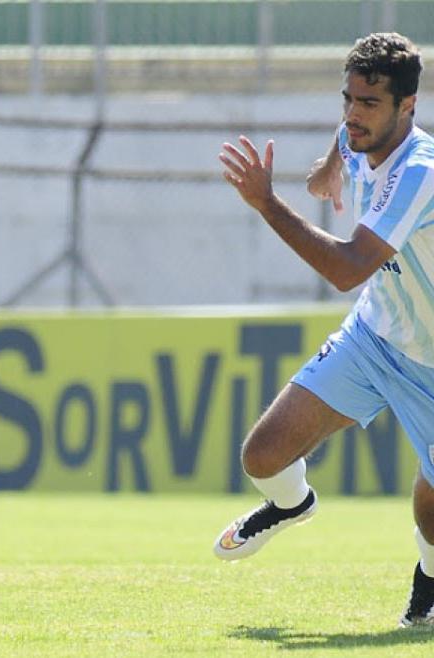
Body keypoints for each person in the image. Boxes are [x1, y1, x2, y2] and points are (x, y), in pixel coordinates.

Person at [214, 32, 434, 626]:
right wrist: (326, 172)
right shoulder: (357, 135)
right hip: (375, 336)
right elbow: (342, 144)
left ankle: (431, 580)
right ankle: (293, 503)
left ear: (408, 106)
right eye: (348, 99)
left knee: (432, 510)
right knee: (262, 457)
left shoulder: (420, 172)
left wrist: (268, 203)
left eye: (369, 104)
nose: (353, 115)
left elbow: (346, 269)